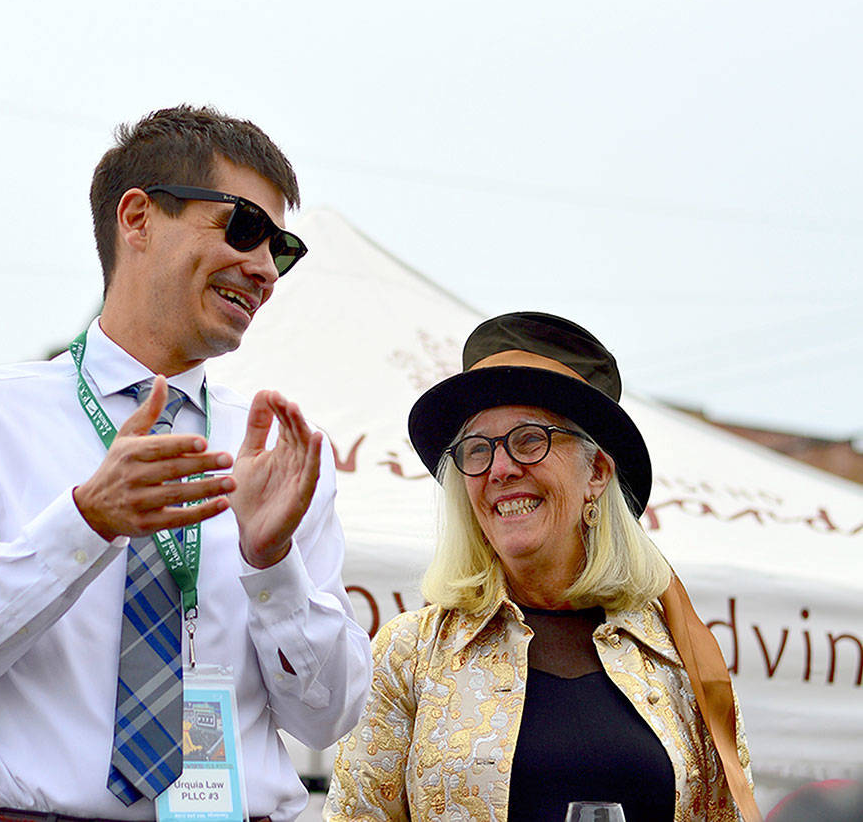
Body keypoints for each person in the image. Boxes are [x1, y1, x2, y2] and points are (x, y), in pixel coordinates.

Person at [0, 105, 371, 822]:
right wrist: (84, 523)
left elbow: (329, 720)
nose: (265, 269)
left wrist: (272, 566)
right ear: (137, 219)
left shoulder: (277, 452)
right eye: (243, 228)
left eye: (281, 248)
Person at [324, 312, 760, 821]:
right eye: (477, 449)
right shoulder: (412, 653)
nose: (501, 469)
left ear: (596, 472)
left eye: (530, 440)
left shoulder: (678, 655)